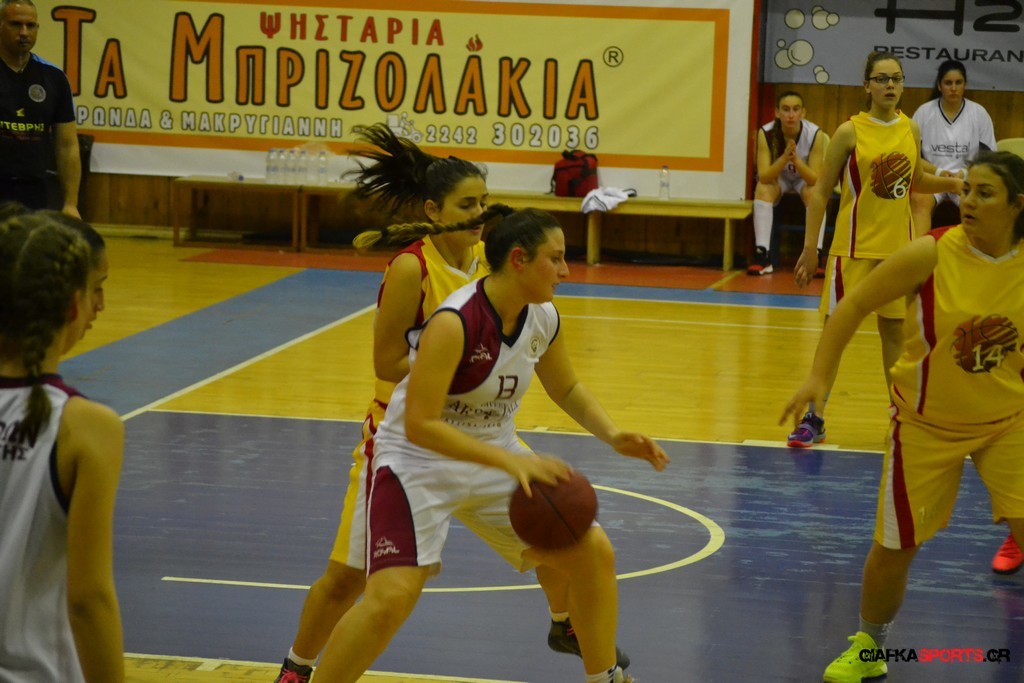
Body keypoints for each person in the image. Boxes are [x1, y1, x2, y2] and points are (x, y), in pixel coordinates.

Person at [275, 125, 628, 682]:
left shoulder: (500, 272)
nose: (479, 213)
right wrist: (449, 364)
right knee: (356, 581)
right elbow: (388, 365)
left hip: (481, 435)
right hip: (409, 440)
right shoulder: (417, 272)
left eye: (483, 202)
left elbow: (561, 381)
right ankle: (297, 669)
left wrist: (613, 433)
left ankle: (569, 627)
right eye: (468, 204)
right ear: (434, 210)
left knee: (564, 531)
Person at [311, 208, 669, 683]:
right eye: (555, 259)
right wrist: (508, 461)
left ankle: (603, 677)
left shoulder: (543, 317)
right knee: (391, 598)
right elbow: (419, 424)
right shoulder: (454, 322)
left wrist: (614, 435)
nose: (566, 271)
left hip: (491, 453)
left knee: (592, 551)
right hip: (418, 463)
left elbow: (566, 387)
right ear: (519, 259)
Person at [781, 150, 1024, 683]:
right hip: (923, 423)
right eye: (967, 189)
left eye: (985, 193)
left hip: (1007, 422)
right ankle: (870, 647)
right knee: (894, 548)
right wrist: (818, 376)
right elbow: (852, 304)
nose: (968, 201)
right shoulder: (931, 252)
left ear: (1017, 206)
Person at [787, 51, 962, 448]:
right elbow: (820, 194)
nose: (890, 85)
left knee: (895, 337)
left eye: (896, 78)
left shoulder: (910, 128)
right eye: (882, 79)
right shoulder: (849, 132)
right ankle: (815, 417)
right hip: (852, 250)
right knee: (835, 334)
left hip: (896, 253)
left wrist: (952, 184)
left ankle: (900, 418)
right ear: (866, 85)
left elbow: (915, 181)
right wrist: (811, 248)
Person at [0, 213, 124, 682]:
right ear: (73, 303)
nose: (101, 304)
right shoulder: (86, 427)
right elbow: (88, 600)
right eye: (96, 289)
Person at [0, 0, 81, 216]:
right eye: (15, 24)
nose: (24, 32)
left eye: (30, 25)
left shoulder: (55, 78)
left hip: (35, 192)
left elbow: (67, 145)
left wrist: (71, 203)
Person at [911, 60, 997, 235]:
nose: (953, 88)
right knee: (919, 200)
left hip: (968, 179)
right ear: (939, 85)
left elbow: (988, 157)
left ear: (965, 85)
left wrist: (963, 173)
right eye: (948, 83)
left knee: (978, 203)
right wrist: (939, 172)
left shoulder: (978, 113)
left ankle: (973, 250)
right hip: (932, 177)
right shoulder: (924, 112)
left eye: (958, 82)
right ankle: (918, 249)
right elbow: (913, 156)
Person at [748, 91, 827, 276]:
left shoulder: (815, 133)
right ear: (777, 112)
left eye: (795, 109)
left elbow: (814, 179)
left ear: (803, 112)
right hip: (779, 177)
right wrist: (784, 158)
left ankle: (815, 254)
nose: (791, 115)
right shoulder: (766, 133)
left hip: (803, 177)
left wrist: (796, 160)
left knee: (815, 193)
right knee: (762, 189)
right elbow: (764, 176)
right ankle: (763, 255)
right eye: (786, 109)